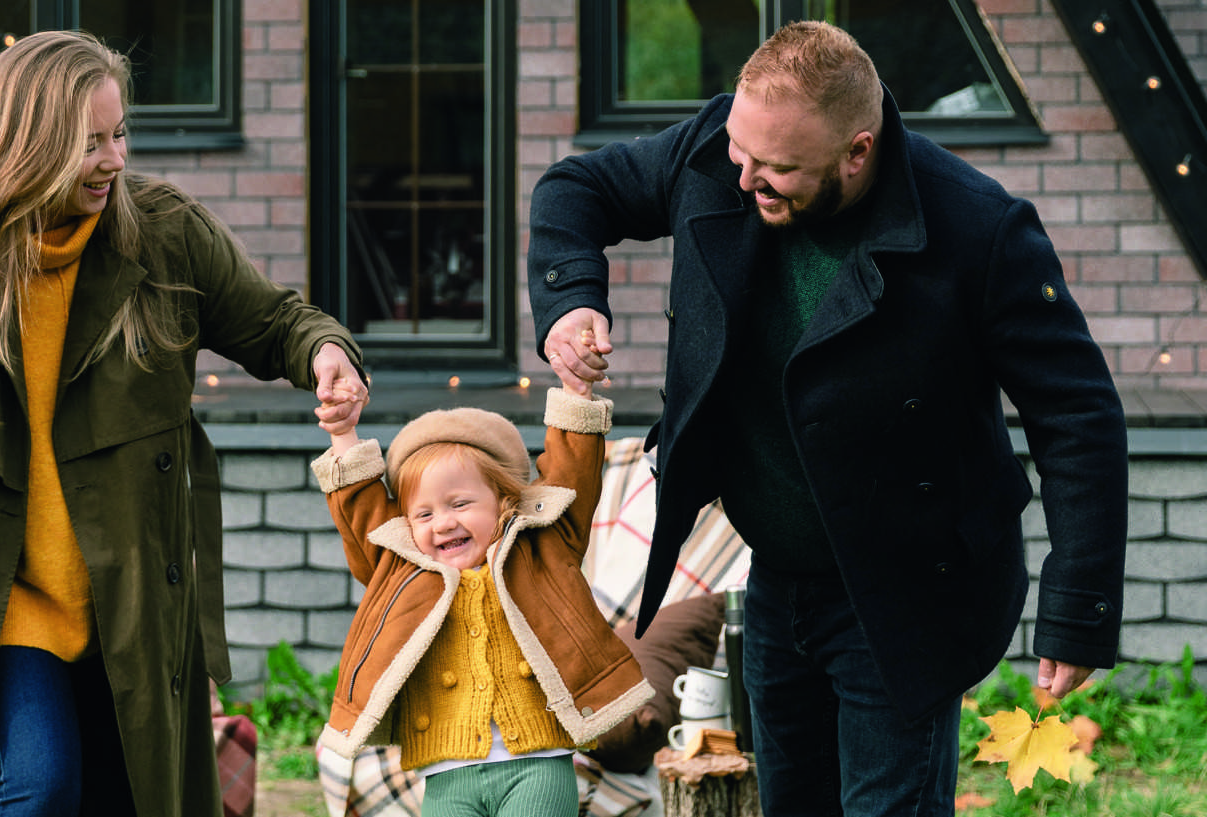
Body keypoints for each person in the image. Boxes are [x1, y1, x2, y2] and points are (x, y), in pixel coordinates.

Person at [527, 21, 1127, 817]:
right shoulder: (718, 149)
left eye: (778, 169)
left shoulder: (979, 230)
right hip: (777, 575)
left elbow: (1078, 415)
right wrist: (571, 302)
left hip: (907, 587)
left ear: (858, 150)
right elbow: (575, 189)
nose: (744, 181)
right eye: (741, 155)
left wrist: (1077, 608)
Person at [0, 30, 367, 817]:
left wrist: (327, 351)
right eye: (88, 143)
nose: (115, 159)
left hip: (136, 598)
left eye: (119, 133)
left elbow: (273, 323)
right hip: (8, 603)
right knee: (42, 783)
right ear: (24, 147)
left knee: (129, 798)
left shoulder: (165, 236)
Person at [309, 366, 653, 817]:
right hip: (446, 774)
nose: (444, 522)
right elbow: (361, 513)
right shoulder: (402, 565)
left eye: (460, 504)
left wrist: (576, 389)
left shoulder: (542, 543)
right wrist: (343, 433)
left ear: (506, 500)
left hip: (539, 765)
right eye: (424, 514)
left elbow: (573, 475)